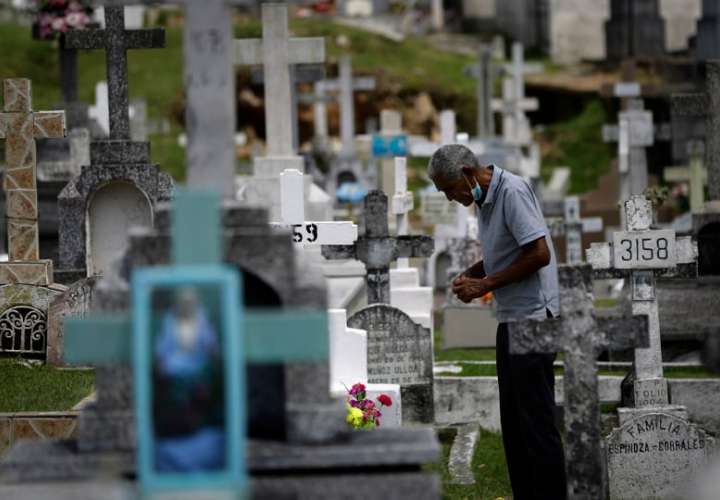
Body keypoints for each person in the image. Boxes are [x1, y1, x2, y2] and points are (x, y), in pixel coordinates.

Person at [428, 144, 566, 499]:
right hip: (512, 318)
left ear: (466, 174)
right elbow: (503, 256)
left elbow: (538, 253)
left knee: (535, 424)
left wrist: (485, 285)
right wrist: (470, 274)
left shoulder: (513, 191)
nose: (449, 198)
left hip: (534, 318)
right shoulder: (486, 200)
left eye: (448, 189)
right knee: (516, 424)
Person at [153, 287, 225, 473]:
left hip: (198, 366)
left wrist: (212, 357)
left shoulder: (201, 319)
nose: (186, 306)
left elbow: (210, 345)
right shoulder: (171, 320)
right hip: (176, 366)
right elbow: (164, 346)